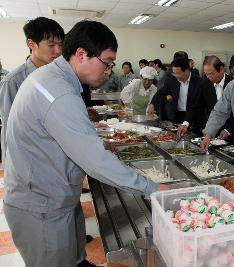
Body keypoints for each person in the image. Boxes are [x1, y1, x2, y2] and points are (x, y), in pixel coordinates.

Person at [3, 20, 166, 267]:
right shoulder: (59, 92)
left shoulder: (53, 79)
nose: (110, 70)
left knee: (74, 260)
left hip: (51, 197)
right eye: (107, 62)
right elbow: (96, 162)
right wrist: (151, 189)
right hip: (41, 208)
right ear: (81, 55)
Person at [0, 17, 64, 167]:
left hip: (55, 158)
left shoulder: (59, 77)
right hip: (29, 162)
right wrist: (10, 169)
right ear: (31, 44)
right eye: (51, 45)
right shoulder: (13, 81)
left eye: (60, 45)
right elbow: (9, 131)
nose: (58, 51)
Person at [177, 55, 234, 140]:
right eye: (206, 74)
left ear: (221, 69)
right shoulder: (205, 84)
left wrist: (228, 129)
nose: (209, 77)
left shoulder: (233, 84)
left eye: (211, 73)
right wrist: (186, 123)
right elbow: (196, 105)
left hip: (232, 131)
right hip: (212, 130)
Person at [148, 58, 204, 125]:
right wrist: (152, 104)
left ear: (187, 70)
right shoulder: (172, 80)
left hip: (195, 117)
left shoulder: (199, 82)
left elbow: (199, 104)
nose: (176, 76)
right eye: (174, 73)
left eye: (178, 73)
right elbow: (161, 92)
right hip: (178, 115)